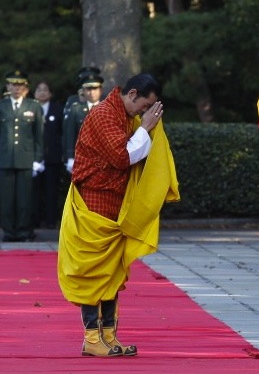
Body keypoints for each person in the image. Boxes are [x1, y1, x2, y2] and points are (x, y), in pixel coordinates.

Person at [57, 73, 179, 357]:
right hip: (94, 203)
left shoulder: (125, 115)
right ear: (132, 93)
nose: (143, 113)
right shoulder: (103, 114)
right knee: (93, 271)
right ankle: (91, 338)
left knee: (112, 271)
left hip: (115, 203)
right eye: (143, 106)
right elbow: (122, 157)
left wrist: (143, 127)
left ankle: (109, 336)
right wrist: (145, 128)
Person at [1, 69, 44, 242]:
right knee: (6, 199)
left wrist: (37, 159)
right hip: (5, 159)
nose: (16, 88)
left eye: (20, 85)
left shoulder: (33, 106)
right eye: (13, 84)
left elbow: (39, 135)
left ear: (26, 87)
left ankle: (23, 231)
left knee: (24, 199)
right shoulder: (2, 105)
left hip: (26, 159)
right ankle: (9, 231)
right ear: (8, 87)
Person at [33, 81, 64, 229]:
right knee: (35, 191)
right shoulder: (30, 108)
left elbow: (62, 133)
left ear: (50, 93)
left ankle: (51, 221)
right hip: (33, 158)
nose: (42, 93)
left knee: (51, 190)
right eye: (39, 90)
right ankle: (35, 220)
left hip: (52, 157)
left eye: (45, 90)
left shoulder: (58, 109)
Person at [63, 72, 104, 174]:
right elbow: (70, 135)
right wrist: (70, 157)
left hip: (104, 157)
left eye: (95, 89)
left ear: (100, 90)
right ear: (83, 91)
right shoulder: (76, 109)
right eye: (88, 89)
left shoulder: (108, 109)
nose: (91, 92)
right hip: (82, 157)